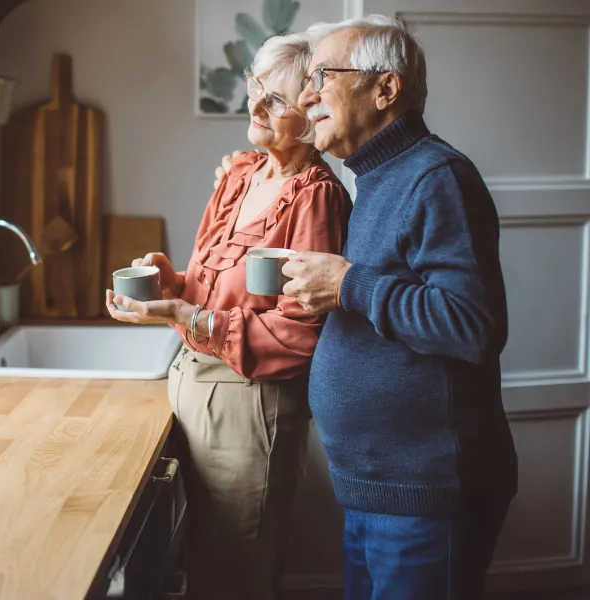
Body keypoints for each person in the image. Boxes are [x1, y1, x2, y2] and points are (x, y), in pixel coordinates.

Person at [215, 15, 517, 600]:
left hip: (428, 492)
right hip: (376, 489)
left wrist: (349, 285)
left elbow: (473, 325)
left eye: (324, 75)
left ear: (386, 89)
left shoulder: (438, 177)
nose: (308, 94)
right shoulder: (376, 179)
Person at [105, 33, 351, 600]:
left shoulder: (316, 197)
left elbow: (301, 333)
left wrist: (192, 317)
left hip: (250, 406)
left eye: (276, 101)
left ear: (312, 116)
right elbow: (207, 287)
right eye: (255, 88)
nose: (256, 106)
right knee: (202, 563)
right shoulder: (241, 173)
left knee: (235, 575)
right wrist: (174, 283)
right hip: (191, 384)